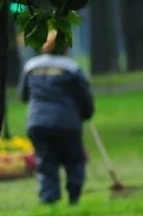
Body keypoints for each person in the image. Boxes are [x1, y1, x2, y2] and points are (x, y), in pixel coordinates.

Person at [18, 30, 95, 205]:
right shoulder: (72, 68)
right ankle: (74, 198)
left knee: (45, 163)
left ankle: (49, 201)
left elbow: (23, 95)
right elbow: (84, 96)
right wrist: (86, 113)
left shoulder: (31, 66)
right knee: (74, 160)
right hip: (67, 122)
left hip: (37, 122)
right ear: (66, 48)